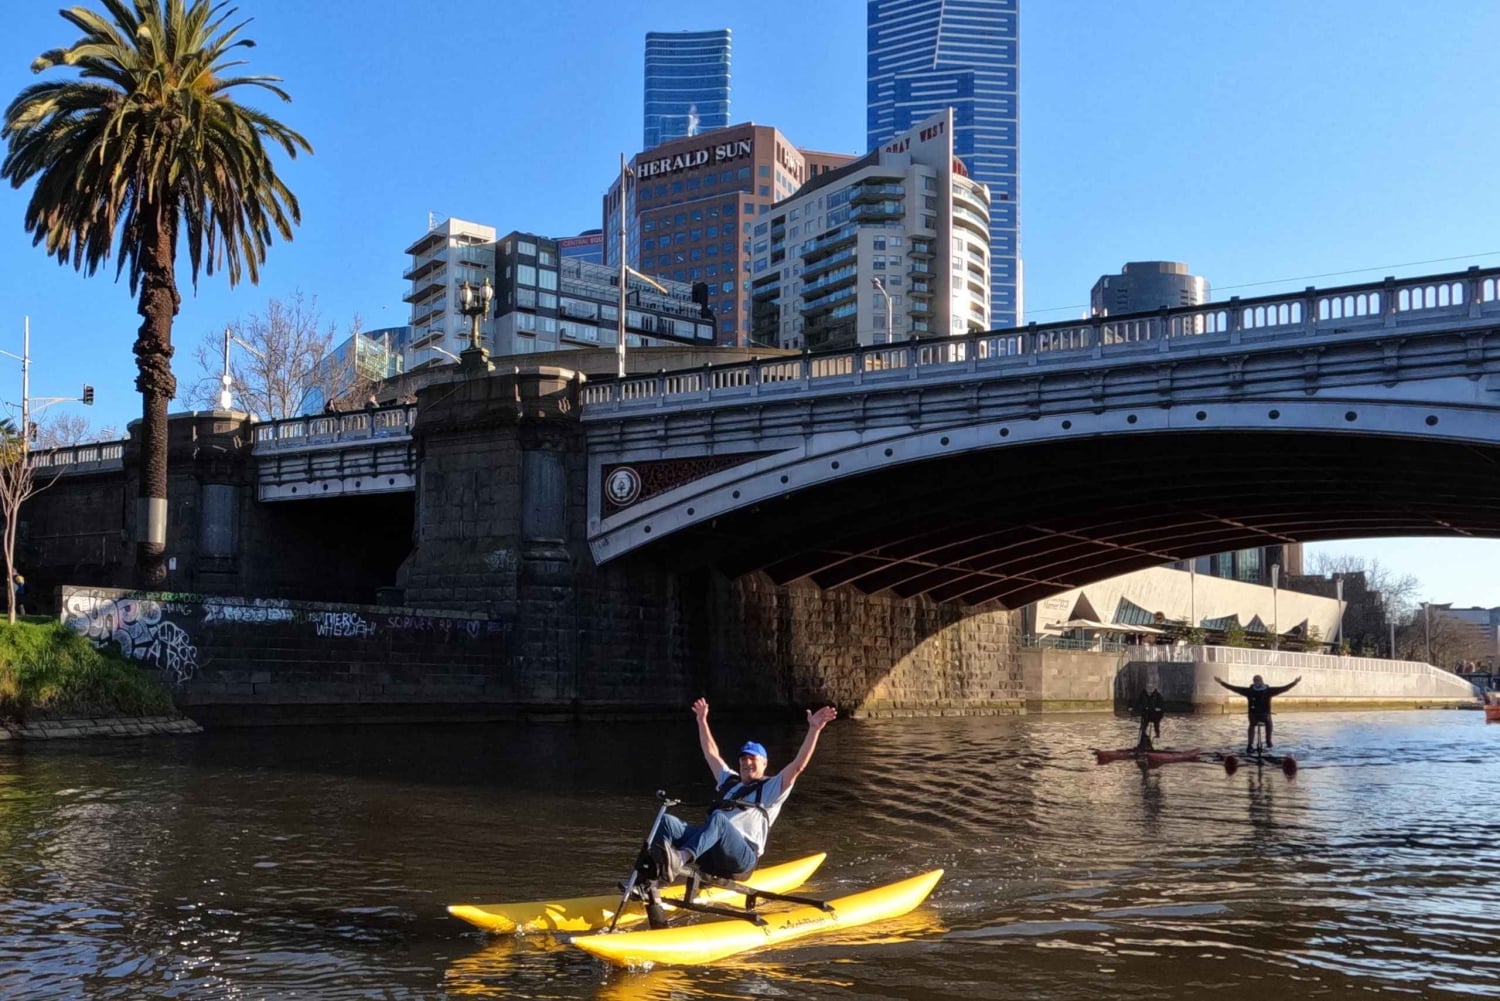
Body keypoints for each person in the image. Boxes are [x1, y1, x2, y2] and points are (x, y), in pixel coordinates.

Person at [650, 697, 837, 883]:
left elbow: (798, 766)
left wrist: (814, 730)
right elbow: (711, 753)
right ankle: (647, 881)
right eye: (743, 759)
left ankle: (681, 858)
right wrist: (701, 721)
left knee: (719, 819)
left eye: (752, 759)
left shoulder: (771, 787)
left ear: (764, 763)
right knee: (666, 821)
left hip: (742, 858)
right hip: (712, 848)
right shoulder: (730, 781)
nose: (747, 762)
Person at [1214, 674, 1301, 752]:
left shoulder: (1249, 691)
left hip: (1253, 715)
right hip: (1264, 715)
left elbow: (1234, 688)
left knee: (1252, 725)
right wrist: (1294, 683)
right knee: (1268, 723)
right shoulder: (1268, 690)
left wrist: (1221, 682)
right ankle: (1268, 742)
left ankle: (1250, 745)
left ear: (1254, 682)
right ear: (1262, 681)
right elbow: (1283, 689)